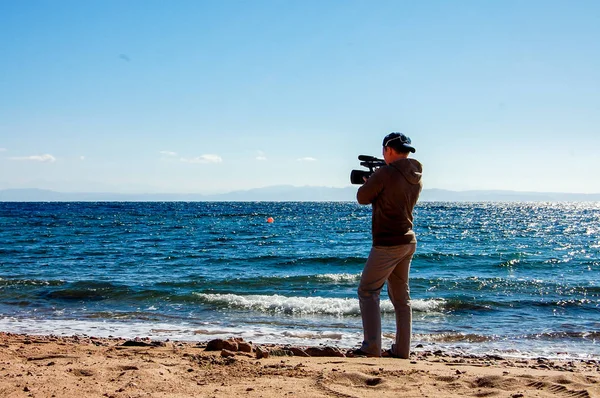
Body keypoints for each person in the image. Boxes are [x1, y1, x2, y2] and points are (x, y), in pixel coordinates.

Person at [355, 132, 423, 358]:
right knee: (401, 298)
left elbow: (362, 197)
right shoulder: (415, 176)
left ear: (388, 149)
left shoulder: (385, 173)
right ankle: (402, 350)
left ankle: (371, 347)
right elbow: (393, 197)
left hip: (387, 242)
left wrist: (371, 182)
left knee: (367, 290)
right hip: (407, 240)